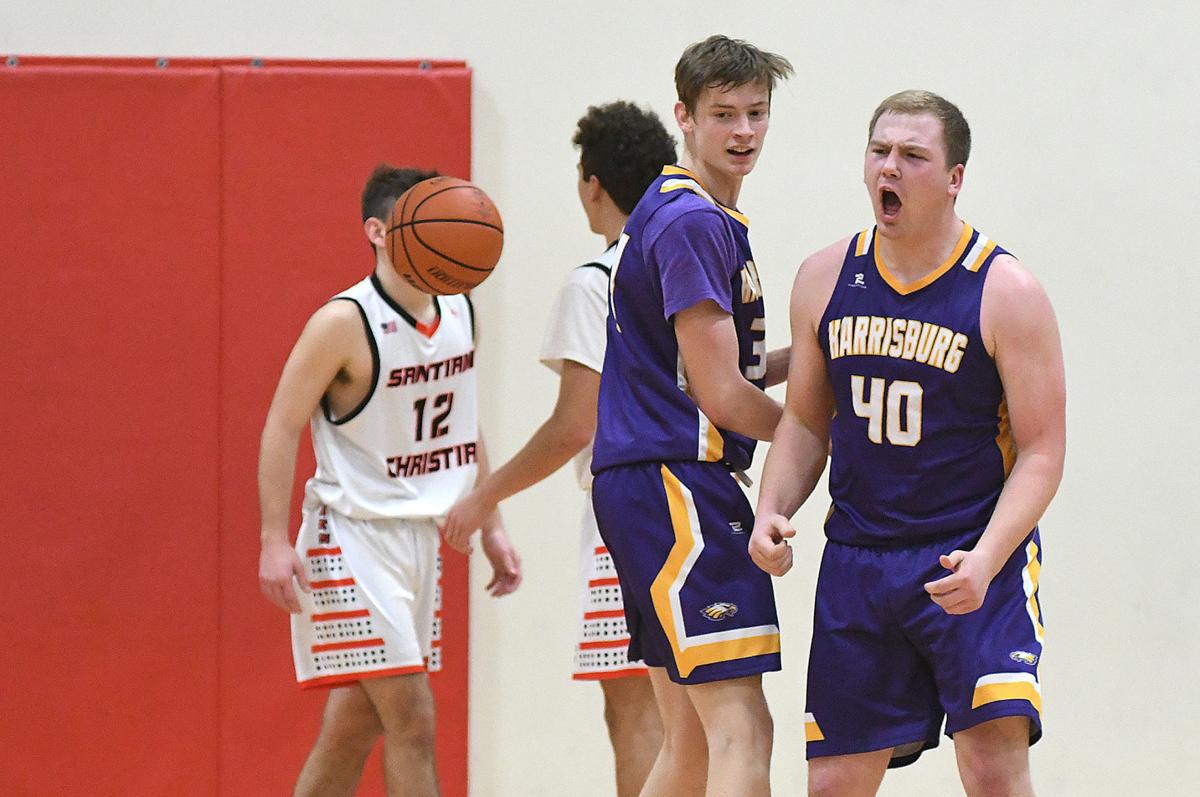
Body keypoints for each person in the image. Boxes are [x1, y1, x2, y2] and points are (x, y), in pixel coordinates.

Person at [750, 90, 1065, 797]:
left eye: (912, 156)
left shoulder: (1006, 291)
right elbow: (805, 420)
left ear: (955, 178)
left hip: (970, 551)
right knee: (833, 784)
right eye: (879, 151)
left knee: (993, 768)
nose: (889, 167)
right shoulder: (825, 276)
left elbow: (1043, 451)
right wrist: (772, 506)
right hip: (858, 560)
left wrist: (988, 558)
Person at [257, 164, 522, 797]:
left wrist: (492, 521)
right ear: (377, 232)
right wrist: (272, 539)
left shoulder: (460, 309)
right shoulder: (343, 322)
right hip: (351, 537)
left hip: (419, 539)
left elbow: (462, 422)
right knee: (413, 716)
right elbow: (281, 425)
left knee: (354, 725)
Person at [442, 101, 675, 797]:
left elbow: (574, 425)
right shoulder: (689, 265)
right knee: (692, 716)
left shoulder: (597, 281)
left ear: (591, 184)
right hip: (701, 500)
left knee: (636, 710)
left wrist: (485, 495)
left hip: (631, 508)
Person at [588, 35, 792, 797]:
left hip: (645, 480)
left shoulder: (684, 213)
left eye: (756, 113)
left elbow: (717, 370)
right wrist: (818, 434)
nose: (743, 131)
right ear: (684, 115)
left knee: (692, 744)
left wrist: (817, 362)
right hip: (676, 481)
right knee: (743, 728)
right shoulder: (691, 222)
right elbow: (723, 395)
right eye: (724, 114)